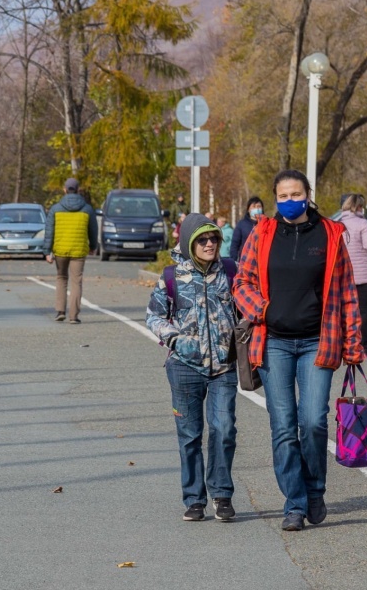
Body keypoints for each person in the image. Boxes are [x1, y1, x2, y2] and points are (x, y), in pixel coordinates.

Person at [233, 169, 363, 532]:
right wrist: (262, 309)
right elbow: (241, 281)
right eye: (283, 196)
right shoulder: (262, 233)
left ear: (308, 194)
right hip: (272, 342)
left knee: (314, 421)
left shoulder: (330, 234)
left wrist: (353, 343)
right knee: (284, 427)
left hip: (317, 342)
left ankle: (315, 489)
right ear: (275, 199)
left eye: (296, 194)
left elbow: (348, 292)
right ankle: (294, 502)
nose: (290, 201)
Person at [146, 214, 239, 522]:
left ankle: (222, 495)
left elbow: (246, 308)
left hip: (223, 367)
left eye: (214, 238)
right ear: (189, 243)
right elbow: (154, 316)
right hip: (184, 367)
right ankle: (194, 499)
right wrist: (176, 339)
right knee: (189, 435)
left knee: (224, 429)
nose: (210, 244)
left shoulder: (231, 271)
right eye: (202, 239)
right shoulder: (171, 276)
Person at [43, 177, 98, 324]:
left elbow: (49, 232)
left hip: (60, 250)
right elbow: (93, 230)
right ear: (78, 190)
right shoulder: (87, 209)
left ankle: (60, 311)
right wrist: (93, 246)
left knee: (61, 278)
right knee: (76, 281)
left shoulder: (55, 209)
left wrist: (47, 252)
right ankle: (73, 316)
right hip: (79, 251)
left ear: (64, 190)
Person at [337, 193, 367, 358]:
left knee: (345, 311)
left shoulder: (338, 224)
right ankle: (365, 347)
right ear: (358, 207)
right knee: (364, 311)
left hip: (344, 274)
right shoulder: (363, 223)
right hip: (364, 275)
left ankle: (345, 345)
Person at [230, 196, 264, 260]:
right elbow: (234, 245)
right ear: (248, 209)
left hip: (262, 259)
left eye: (259, 206)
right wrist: (233, 260)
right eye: (253, 206)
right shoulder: (241, 224)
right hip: (246, 259)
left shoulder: (266, 224)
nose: (256, 209)